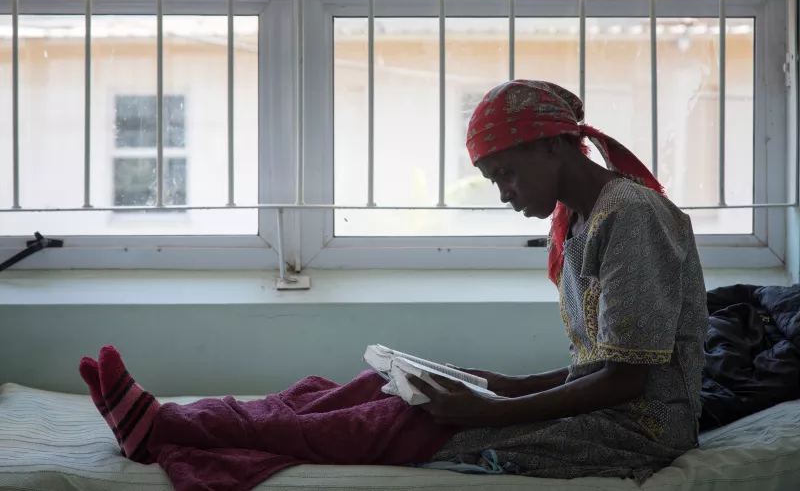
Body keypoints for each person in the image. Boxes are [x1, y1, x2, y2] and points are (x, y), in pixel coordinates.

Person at [79, 80, 707, 485]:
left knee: (394, 423)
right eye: (494, 181)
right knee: (374, 385)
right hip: (610, 402)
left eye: (508, 174)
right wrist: (501, 385)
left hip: (636, 430)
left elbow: (629, 379)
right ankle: (188, 417)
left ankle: (164, 428)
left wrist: (500, 408)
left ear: (555, 147)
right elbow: (597, 364)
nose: (505, 194)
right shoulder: (579, 220)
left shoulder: (634, 219)